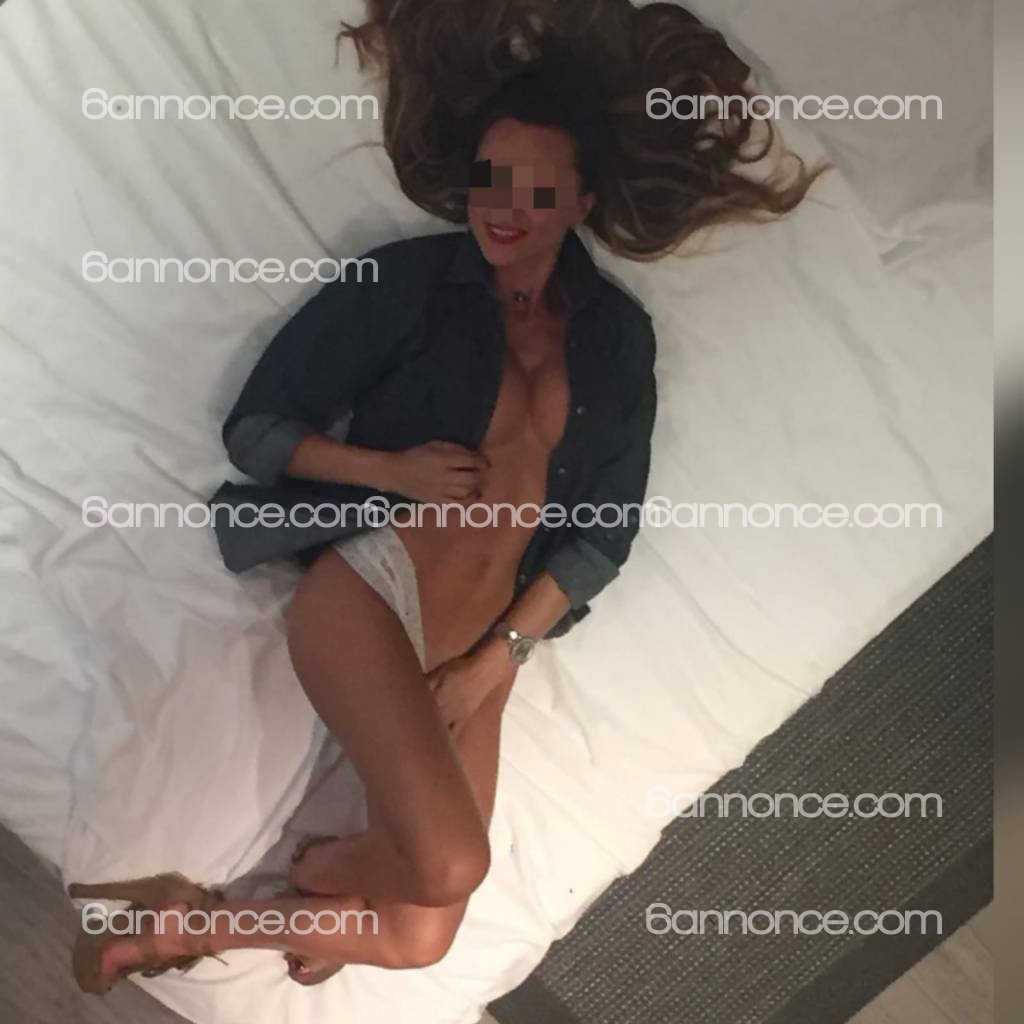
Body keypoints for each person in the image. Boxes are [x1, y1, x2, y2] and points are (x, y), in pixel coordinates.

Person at [69, 0, 825, 993]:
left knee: (422, 938)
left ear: (582, 200)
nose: (504, 207)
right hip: (370, 592)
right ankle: (311, 879)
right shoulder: (409, 284)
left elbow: (601, 535)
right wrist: (393, 473)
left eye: (537, 189)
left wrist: (492, 665)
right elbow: (257, 430)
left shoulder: (617, 340)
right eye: (490, 177)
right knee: (452, 865)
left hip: (484, 652)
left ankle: (193, 913)